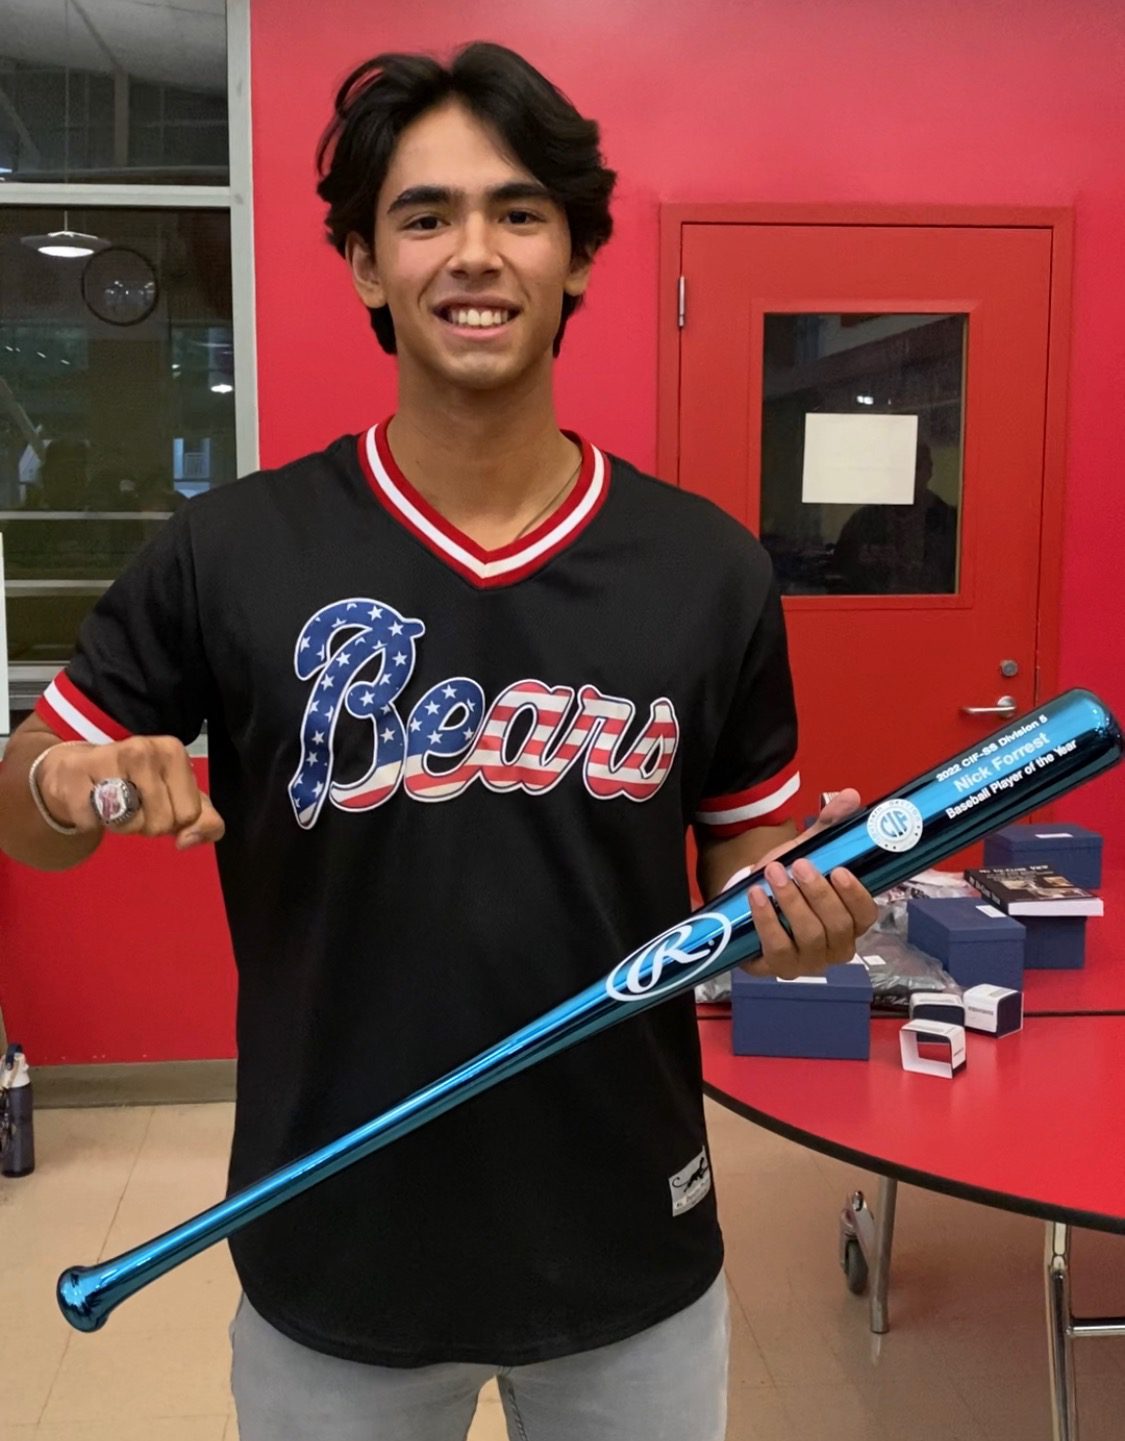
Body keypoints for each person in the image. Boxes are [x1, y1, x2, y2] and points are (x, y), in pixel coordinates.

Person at [0, 44, 878, 1441]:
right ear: (364, 263)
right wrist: (72, 781)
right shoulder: (234, 550)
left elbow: (744, 851)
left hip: (629, 1242)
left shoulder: (705, 568)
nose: (475, 252)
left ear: (577, 256)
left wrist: (797, 904)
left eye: (519, 211)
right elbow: (24, 808)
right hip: (331, 1244)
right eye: (425, 215)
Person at [831, 440, 958, 594]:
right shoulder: (862, 523)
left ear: (929, 470)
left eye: (915, 467)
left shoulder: (952, 524)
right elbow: (839, 582)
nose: (906, 476)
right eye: (898, 469)